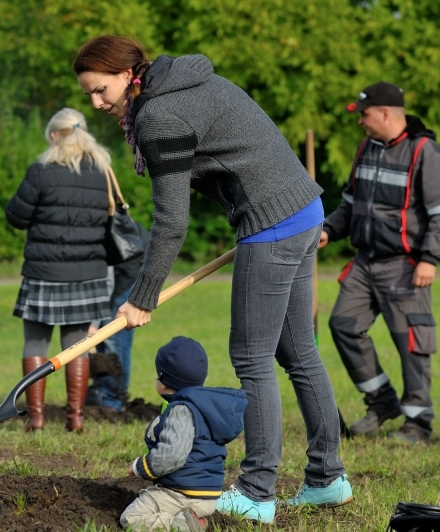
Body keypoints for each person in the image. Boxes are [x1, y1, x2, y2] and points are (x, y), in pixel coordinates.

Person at [74, 36, 351, 523]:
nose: (97, 103)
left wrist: (142, 298)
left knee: (252, 356)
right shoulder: (187, 78)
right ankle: (327, 479)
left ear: (127, 74)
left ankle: (257, 490)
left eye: (100, 90)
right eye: (89, 95)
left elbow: (171, 222)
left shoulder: (158, 117)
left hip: (272, 225)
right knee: (297, 351)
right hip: (304, 209)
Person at [322, 82, 440, 445]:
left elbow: (439, 213)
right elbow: (349, 205)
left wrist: (429, 259)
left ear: (385, 112)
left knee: (411, 344)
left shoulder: (423, 151)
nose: (360, 121)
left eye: (365, 114)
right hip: (364, 261)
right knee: (343, 324)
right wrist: (327, 230)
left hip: (405, 266)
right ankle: (382, 401)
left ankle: (418, 422)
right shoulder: (366, 149)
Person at [5, 107, 113, 432]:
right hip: (87, 273)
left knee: (35, 344)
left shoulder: (41, 171)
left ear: (54, 135)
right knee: (78, 345)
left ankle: (36, 417)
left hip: (44, 272)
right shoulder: (101, 171)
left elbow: (16, 216)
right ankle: (75, 418)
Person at [121, 336, 246, 532]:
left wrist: (140, 466)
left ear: (163, 381)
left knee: (131, 517)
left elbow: (172, 456)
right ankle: (194, 519)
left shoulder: (181, 410)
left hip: (182, 494)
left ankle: (180, 525)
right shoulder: (204, 407)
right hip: (207, 496)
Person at [86, 252, 144, 411]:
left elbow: (106, 280)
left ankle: (111, 398)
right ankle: (101, 389)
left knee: (114, 336)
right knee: (107, 336)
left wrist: (93, 322)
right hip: (117, 269)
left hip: (126, 271)